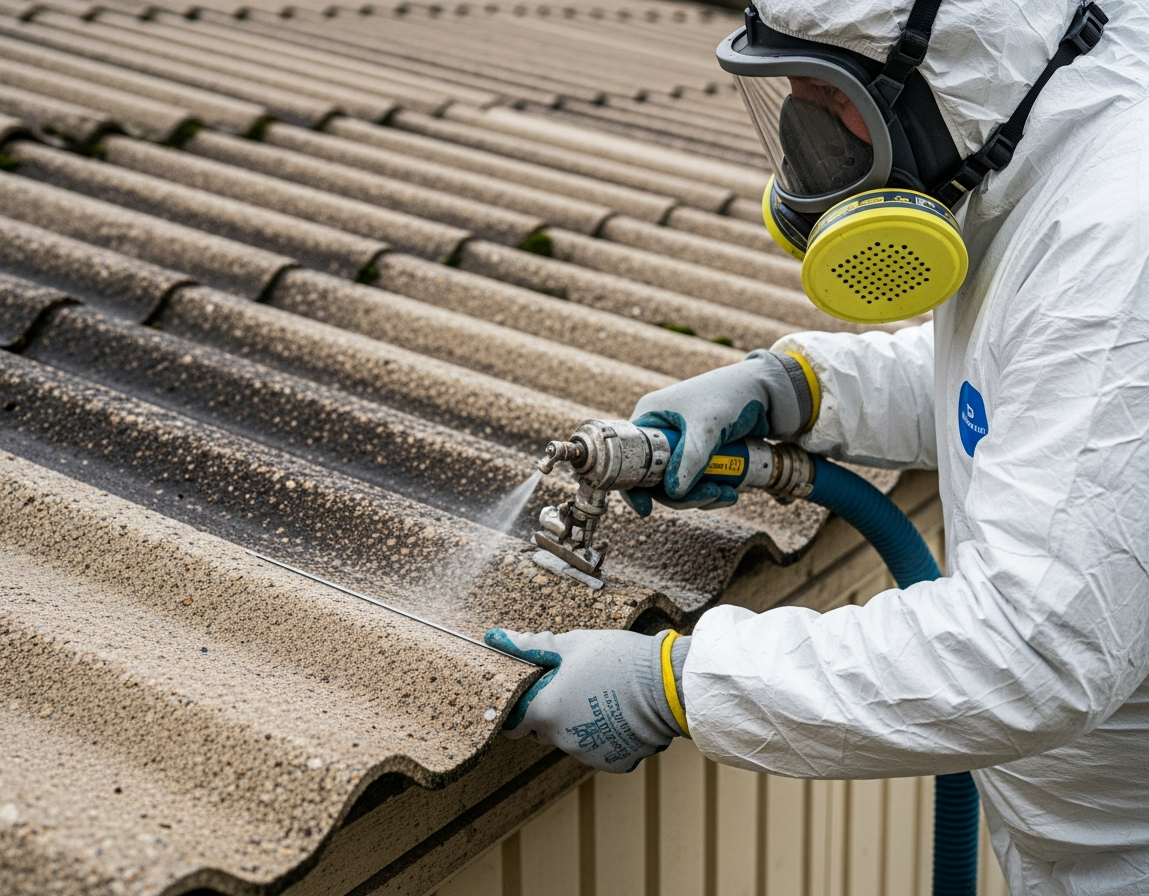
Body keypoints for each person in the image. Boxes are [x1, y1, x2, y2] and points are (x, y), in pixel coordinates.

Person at [485, 0, 1149, 892]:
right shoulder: (1050, 153)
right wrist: (796, 388)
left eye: (824, 96)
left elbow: (1031, 652)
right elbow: (1024, 389)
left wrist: (679, 683)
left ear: (945, 68)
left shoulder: (1120, 237)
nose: (805, 137)